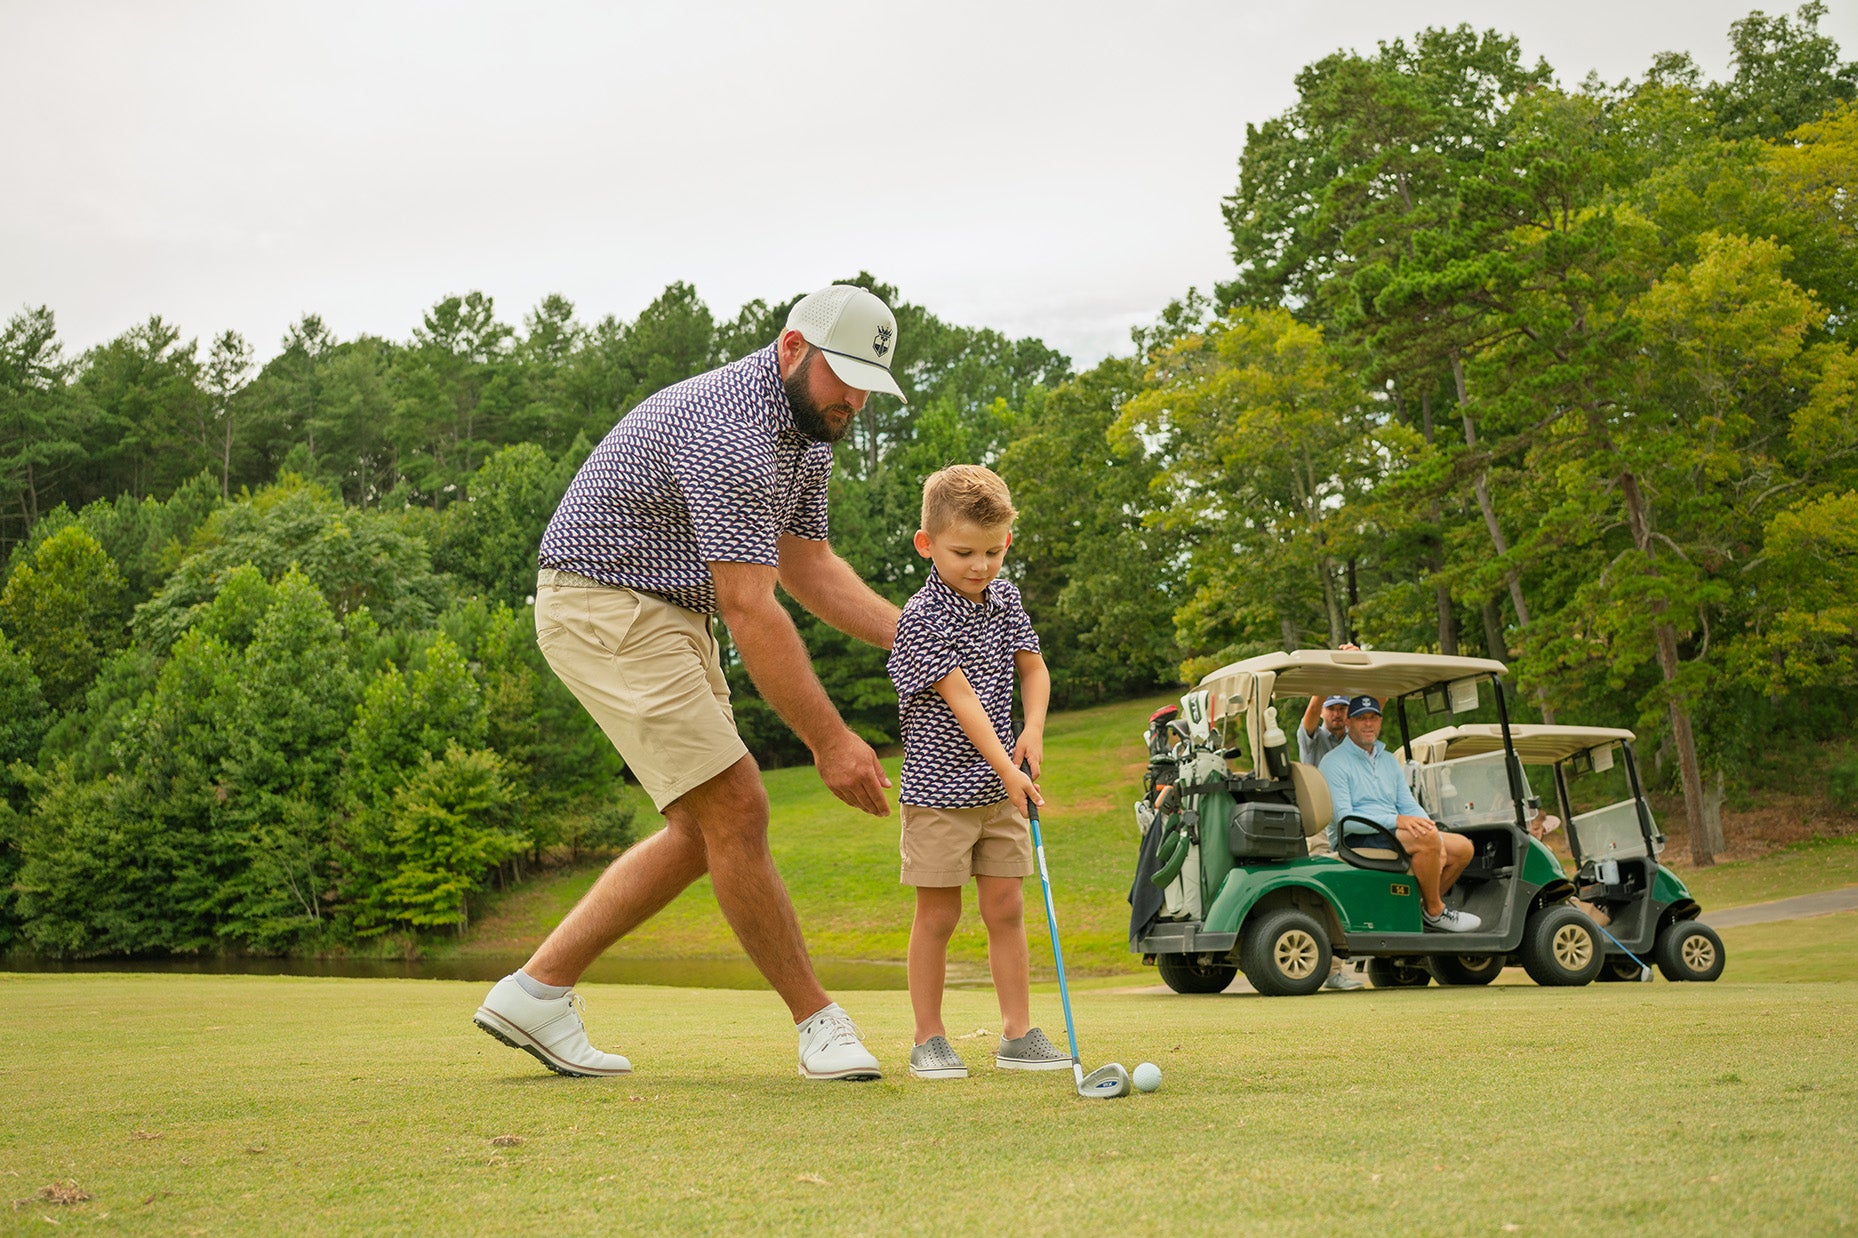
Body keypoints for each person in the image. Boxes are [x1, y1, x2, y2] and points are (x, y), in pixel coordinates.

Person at [473, 284, 908, 1082]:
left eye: (867, 387)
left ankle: (537, 991)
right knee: (739, 803)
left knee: (703, 828)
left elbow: (807, 566)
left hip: (668, 614)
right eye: (841, 376)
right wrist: (830, 739)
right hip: (605, 602)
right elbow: (752, 604)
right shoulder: (728, 427)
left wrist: (917, 636)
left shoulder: (807, 436)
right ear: (791, 348)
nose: (853, 399)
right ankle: (821, 1022)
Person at [885, 465, 1069, 1079]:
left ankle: (1017, 1034)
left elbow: (1034, 670)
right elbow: (962, 700)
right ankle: (928, 1038)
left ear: (1007, 544)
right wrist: (1010, 772)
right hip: (939, 793)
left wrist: (1034, 730)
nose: (979, 566)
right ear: (927, 544)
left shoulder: (1006, 598)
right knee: (938, 916)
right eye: (963, 552)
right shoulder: (920, 617)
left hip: (1000, 792)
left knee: (1007, 910)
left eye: (992, 551)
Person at [1319, 695, 1482, 932]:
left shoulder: (1387, 760)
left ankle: (1419, 910)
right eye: (1361, 718)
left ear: (1380, 722)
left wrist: (1429, 827)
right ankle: (1436, 911)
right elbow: (1345, 819)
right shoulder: (1334, 762)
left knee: (1462, 848)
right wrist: (1399, 821)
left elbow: (1407, 804)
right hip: (1355, 835)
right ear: (1348, 723)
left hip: (1391, 831)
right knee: (1426, 842)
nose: (1368, 724)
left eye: (1373, 718)